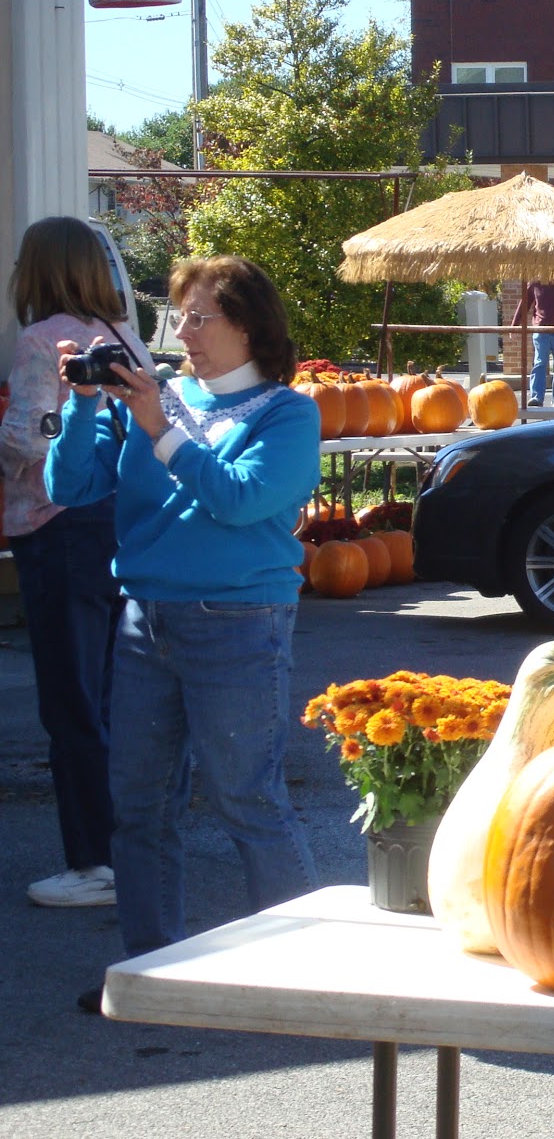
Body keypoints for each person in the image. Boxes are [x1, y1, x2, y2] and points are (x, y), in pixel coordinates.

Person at [44, 254, 322, 1011]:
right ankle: (149, 972)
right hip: (145, 617)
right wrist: (80, 406)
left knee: (247, 800)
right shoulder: (157, 399)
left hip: (238, 622)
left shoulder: (285, 413)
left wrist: (160, 428)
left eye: (201, 317)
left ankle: (305, 977)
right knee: (137, 804)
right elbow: (67, 488)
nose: (184, 333)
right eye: (180, 317)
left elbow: (240, 499)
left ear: (249, 325)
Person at [1, 217, 134, 909]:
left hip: (54, 524)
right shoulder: (120, 337)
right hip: (115, 523)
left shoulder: (38, 340)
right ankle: (126, 848)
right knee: (110, 692)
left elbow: (27, 436)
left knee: (70, 699)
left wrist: (29, 426)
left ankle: (92, 862)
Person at [511, 280, 554, 407]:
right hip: (541, 330)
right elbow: (524, 304)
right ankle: (536, 397)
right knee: (540, 362)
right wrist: (514, 326)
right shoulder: (535, 283)